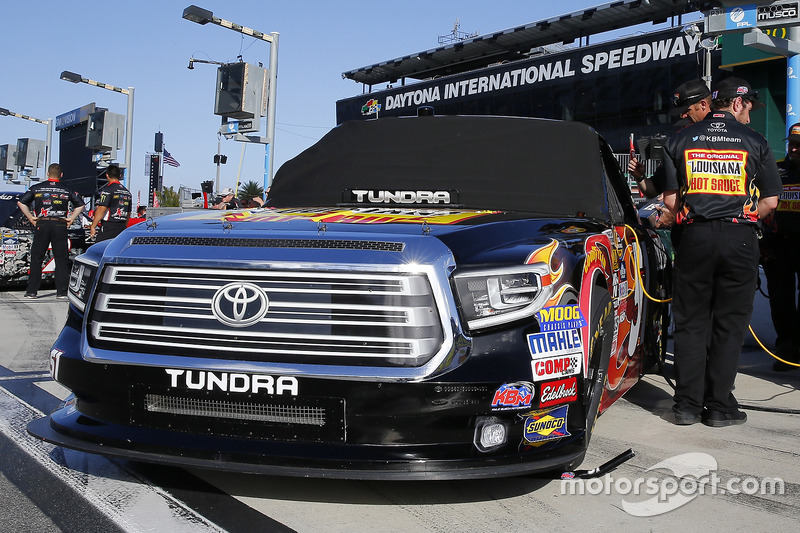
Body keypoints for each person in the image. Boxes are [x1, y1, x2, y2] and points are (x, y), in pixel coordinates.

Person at [661, 76, 782, 427]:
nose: (750, 115)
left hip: (694, 236)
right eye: (749, 107)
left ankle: (685, 406)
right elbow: (770, 202)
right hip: (739, 239)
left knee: (691, 324)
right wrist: (743, 216)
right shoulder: (755, 141)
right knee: (729, 327)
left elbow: (670, 201)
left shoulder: (680, 139)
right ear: (737, 102)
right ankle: (718, 407)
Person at [628, 79, 713, 228]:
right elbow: (653, 190)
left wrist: (676, 214)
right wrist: (640, 176)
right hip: (690, 232)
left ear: (703, 105)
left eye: (687, 111)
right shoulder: (680, 143)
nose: (683, 116)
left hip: (709, 228)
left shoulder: (729, 140)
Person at [760, 122, 800, 371]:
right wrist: (764, 243)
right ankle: (787, 348)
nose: (793, 150)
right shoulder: (776, 170)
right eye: (792, 144)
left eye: (799, 146)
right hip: (777, 245)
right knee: (780, 300)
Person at [17, 163, 85, 300]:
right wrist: (71, 218)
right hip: (60, 224)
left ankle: (32, 291)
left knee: (36, 258)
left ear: (47, 174)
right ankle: (62, 292)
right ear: (61, 175)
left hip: (42, 223)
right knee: (61, 259)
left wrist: (31, 218)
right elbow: (81, 205)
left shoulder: (37, 187)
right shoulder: (66, 189)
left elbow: (21, 202)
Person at [90, 165, 133, 242]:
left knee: (100, 249)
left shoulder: (107, 190)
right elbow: (128, 213)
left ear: (107, 175)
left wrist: (93, 226)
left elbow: (102, 209)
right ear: (119, 176)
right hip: (122, 226)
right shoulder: (128, 192)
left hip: (109, 226)